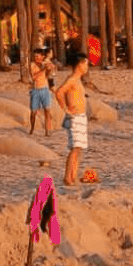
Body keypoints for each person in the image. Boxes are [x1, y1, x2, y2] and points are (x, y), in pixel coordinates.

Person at [57, 53, 90, 185]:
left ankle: (73, 176)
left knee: (79, 148)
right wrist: (65, 108)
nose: (87, 67)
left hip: (80, 117)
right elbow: (59, 92)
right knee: (75, 148)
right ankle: (67, 177)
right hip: (75, 117)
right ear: (80, 64)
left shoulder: (78, 80)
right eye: (86, 64)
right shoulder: (72, 79)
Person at [27, 48, 54, 135]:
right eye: (35, 56)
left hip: (45, 89)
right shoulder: (32, 65)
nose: (36, 58)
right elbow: (34, 77)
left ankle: (47, 131)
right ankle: (32, 129)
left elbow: (48, 75)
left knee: (47, 110)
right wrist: (43, 69)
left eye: (38, 56)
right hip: (35, 90)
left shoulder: (45, 63)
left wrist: (49, 69)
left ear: (42, 57)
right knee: (34, 112)